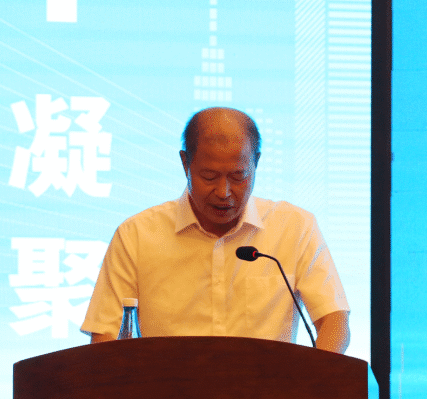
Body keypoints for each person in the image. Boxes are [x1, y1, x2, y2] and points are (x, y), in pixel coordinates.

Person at [81, 107, 350, 352]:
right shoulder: (137, 235)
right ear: (185, 163)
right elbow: (105, 334)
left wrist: (316, 381)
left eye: (238, 176)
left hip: (268, 389)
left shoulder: (295, 227)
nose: (224, 192)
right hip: (164, 390)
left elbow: (334, 320)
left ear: (256, 162)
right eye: (209, 176)